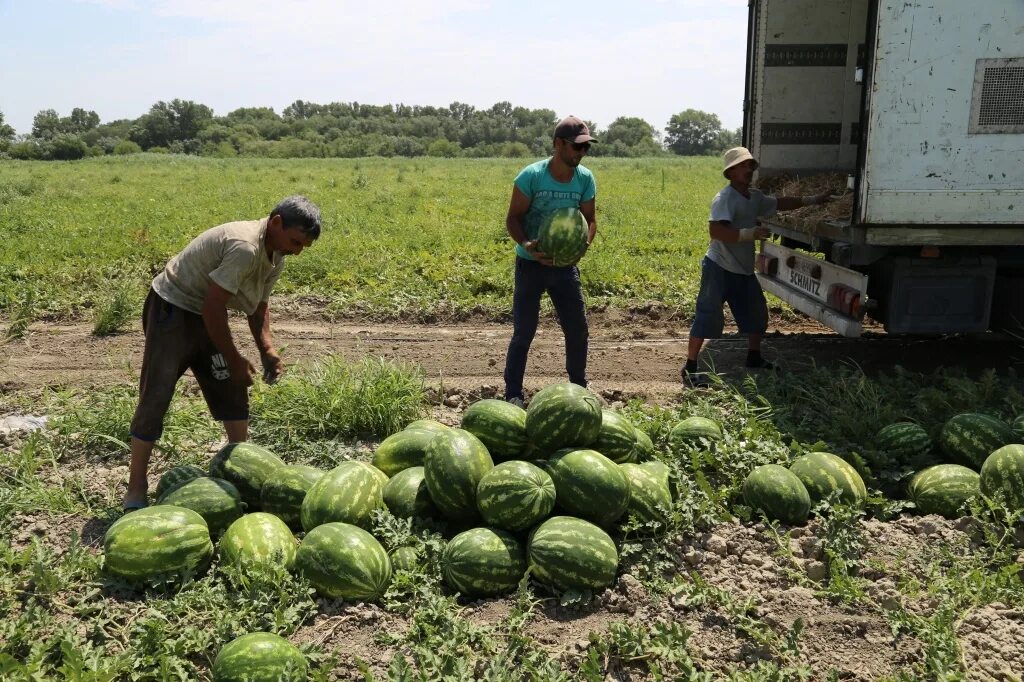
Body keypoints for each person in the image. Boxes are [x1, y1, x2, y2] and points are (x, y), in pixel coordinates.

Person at [122, 195, 322, 509]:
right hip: (172, 308)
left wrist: (266, 348)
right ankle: (136, 487)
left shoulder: (276, 254)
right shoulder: (245, 247)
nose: (296, 251)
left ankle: (240, 472)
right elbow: (213, 309)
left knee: (231, 386)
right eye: (295, 242)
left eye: (303, 248)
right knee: (156, 395)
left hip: (206, 312)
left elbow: (258, 308)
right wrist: (234, 358)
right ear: (276, 223)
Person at [683, 147, 831, 387]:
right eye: (743, 166)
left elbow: (780, 202)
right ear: (730, 172)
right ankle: (690, 367)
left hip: (742, 269)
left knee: (757, 314)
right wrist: (748, 233)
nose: (748, 170)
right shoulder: (724, 199)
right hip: (718, 267)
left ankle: (754, 357)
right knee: (707, 316)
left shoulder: (755, 197)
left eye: (750, 165)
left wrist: (811, 200)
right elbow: (716, 231)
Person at [502, 115, 598, 407]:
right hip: (531, 264)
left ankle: (579, 387)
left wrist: (583, 245)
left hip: (565, 266)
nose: (581, 153)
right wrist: (527, 245)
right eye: (576, 147)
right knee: (524, 331)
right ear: (558, 144)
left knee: (577, 328)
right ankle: (514, 393)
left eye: (586, 149)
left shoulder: (585, 179)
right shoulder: (531, 176)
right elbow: (513, 218)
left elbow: (590, 220)